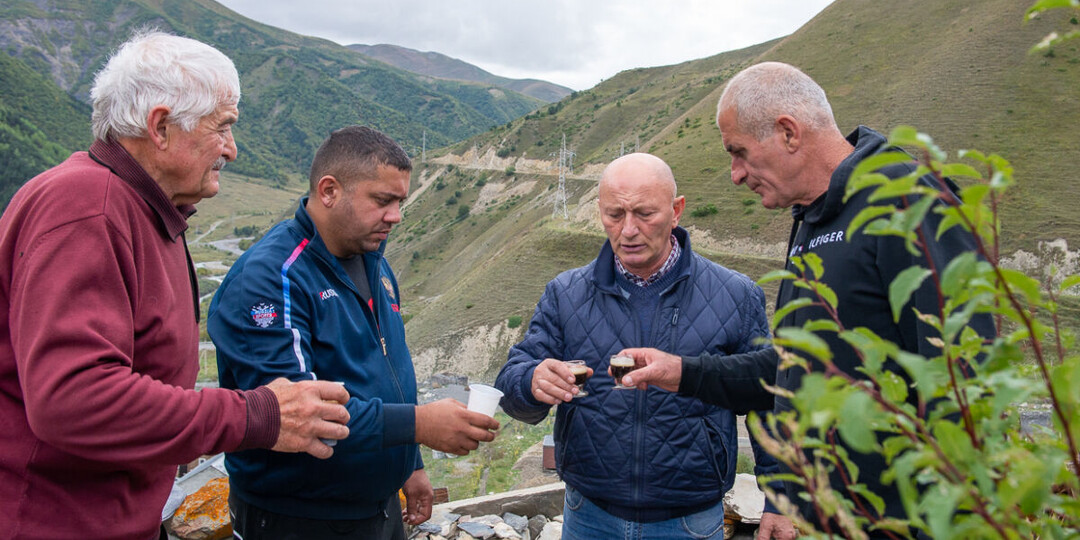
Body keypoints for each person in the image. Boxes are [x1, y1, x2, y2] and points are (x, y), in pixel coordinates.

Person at [620, 62, 996, 539]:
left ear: (788, 133)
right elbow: (794, 368)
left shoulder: (908, 201)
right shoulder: (814, 219)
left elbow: (966, 386)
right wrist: (680, 372)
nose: (735, 175)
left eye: (739, 152)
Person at [0, 31, 351, 540]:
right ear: (160, 127)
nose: (232, 149)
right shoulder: (88, 208)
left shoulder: (141, 208)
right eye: (222, 127)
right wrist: (254, 415)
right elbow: (72, 399)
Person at [207, 125, 500, 540]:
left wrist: (410, 463)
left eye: (400, 202)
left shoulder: (372, 259)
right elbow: (299, 416)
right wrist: (417, 425)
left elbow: (386, 370)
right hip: (299, 518)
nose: (396, 216)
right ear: (329, 191)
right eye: (382, 200)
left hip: (377, 509)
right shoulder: (272, 279)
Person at [495, 152, 778, 540]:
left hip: (689, 520)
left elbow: (769, 400)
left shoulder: (736, 294)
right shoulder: (565, 293)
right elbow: (511, 384)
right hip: (588, 515)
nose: (628, 230)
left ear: (676, 211)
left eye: (644, 214)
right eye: (614, 214)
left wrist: (780, 498)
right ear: (600, 211)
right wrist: (531, 383)